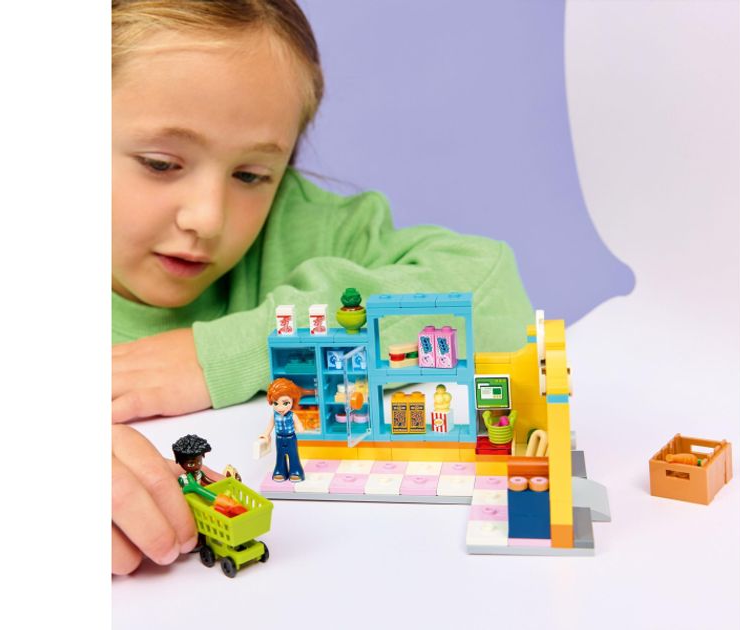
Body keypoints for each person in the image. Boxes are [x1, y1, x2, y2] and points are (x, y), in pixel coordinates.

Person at [109, 0, 534, 574]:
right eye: (161, 164)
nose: (208, 218)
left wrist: (233, 352)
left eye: (252, 175)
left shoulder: (302, 230)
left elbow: (489, 289)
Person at [257, 378, 306, 482]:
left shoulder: (292, 415)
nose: (280, 408)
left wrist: (300, 427)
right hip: (279, 438)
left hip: (291, 438)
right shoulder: (275, 415)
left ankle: (295, 470)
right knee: (280, 455)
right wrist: (266, 434)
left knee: (293, 455)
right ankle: (280, 470)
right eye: (276, 403)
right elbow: (270, 426)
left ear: (293, 400)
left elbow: (298, 423)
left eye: (285, 403)